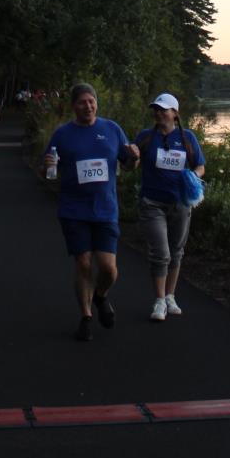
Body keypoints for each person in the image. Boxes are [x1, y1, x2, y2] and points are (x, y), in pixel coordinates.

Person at [43, 82, 140, 341]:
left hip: (105, 209)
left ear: (96, 103)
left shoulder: (112, 129)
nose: (88, 106)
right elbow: (49, 170)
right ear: (74, 106)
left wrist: (135, 157)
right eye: (82, 102)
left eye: (91, 101)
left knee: (108, 269)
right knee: (83, 262)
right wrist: (49, 165)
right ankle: (85, 317)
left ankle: (100, 296)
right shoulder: (63, 135)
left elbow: (128, 165)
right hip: (73, 210)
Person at [134, 93, 205, 322]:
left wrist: (193, 177)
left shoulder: (187, 138)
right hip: (152, 203)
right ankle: (159, 300)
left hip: (180, 203)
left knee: (176, 251)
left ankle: (170, 296)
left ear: (175, 113)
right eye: (156, 109)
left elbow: (200, 165)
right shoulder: (146, 137)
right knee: (160, 253)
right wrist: (132, 157)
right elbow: (131, 164)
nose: (158, 113)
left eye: (163, 109)